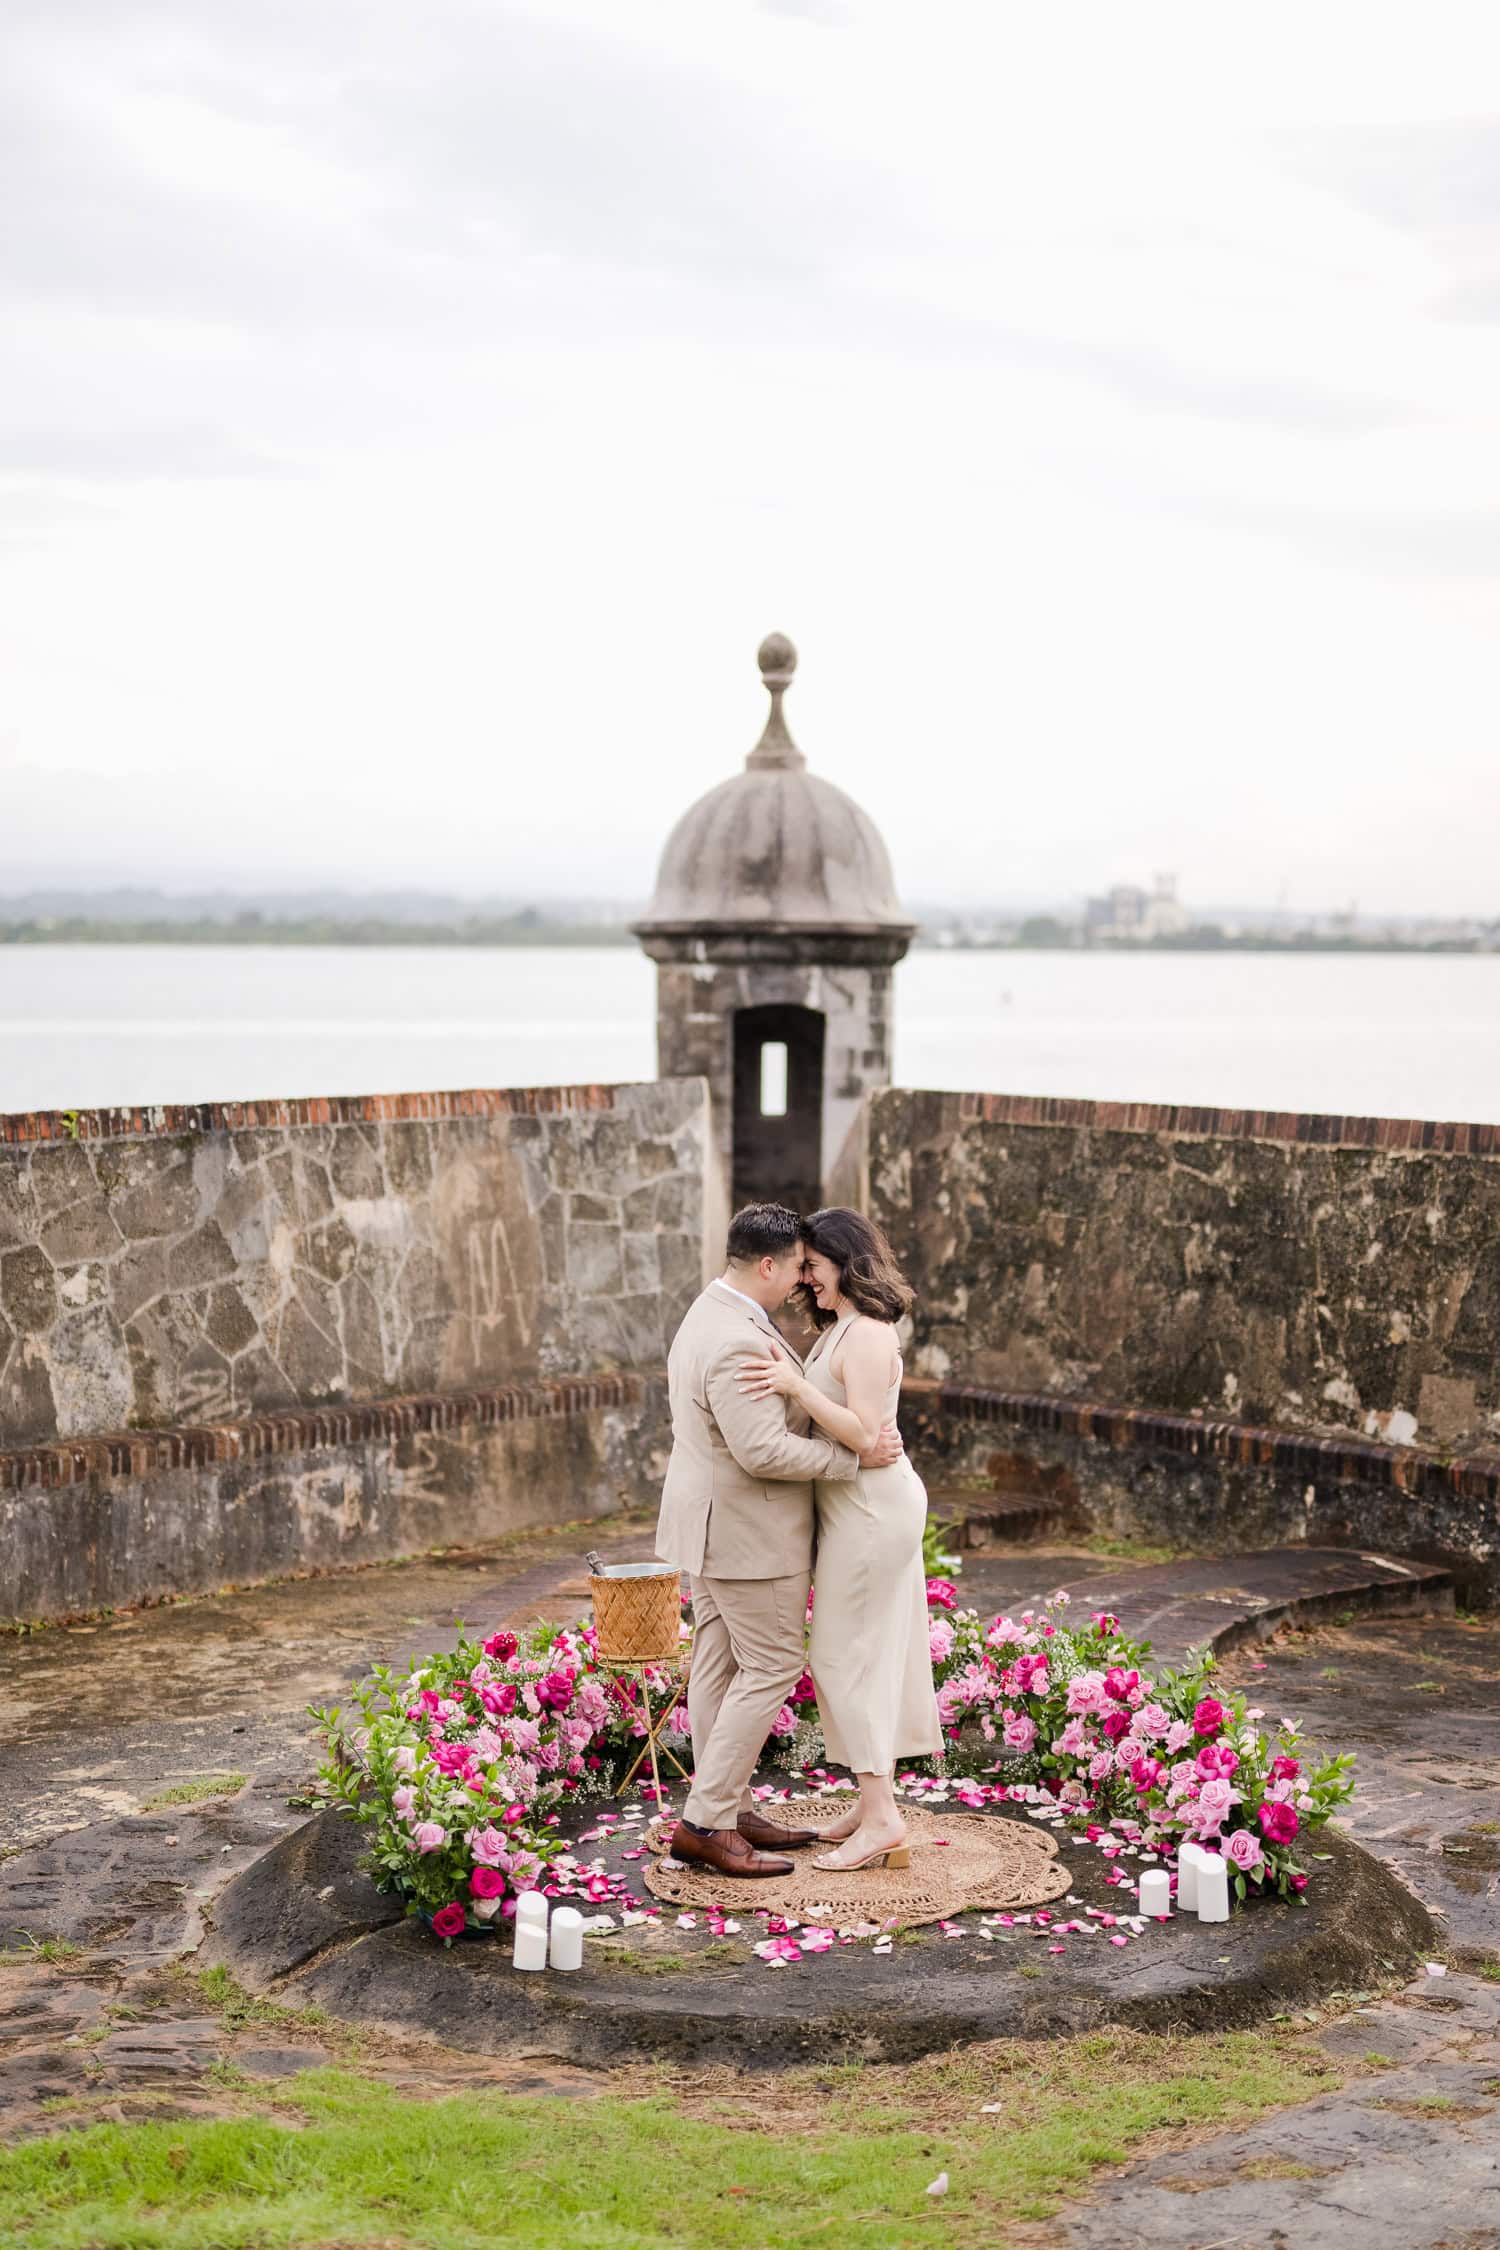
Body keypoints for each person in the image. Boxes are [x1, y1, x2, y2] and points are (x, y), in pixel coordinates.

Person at [655, 1202, 906, 1879]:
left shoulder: (709, 1311)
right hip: (748, 1532)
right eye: (797, 1266)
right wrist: (853, 1459)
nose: (803, 1280)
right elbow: (762, 1449)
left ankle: (727, 1808)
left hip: (710, 1524)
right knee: (769, 1667)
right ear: (767, 1265)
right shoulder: (736, 1336)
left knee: (718, 1665)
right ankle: (707, 1822)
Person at [738, 1205, 941, 1872]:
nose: (806, 1281)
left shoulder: (872, 1335)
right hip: (855, 1507)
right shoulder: (842, 1330)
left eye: (813, 1268)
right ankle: (869, 1799)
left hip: (873, 1508)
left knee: (839, 1657)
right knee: (864, 1655)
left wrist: (795, 1382)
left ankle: (882, 1819)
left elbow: (862, 1433)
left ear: (844, 1260)